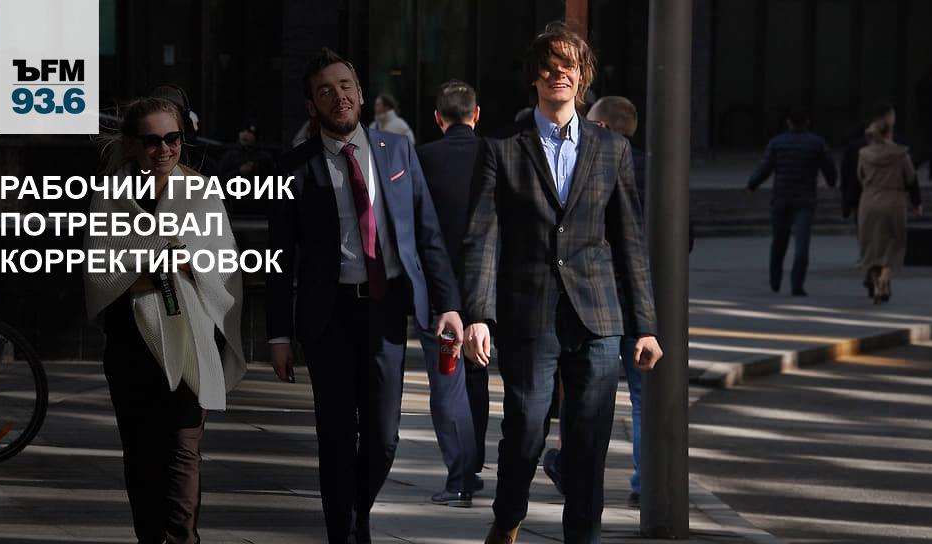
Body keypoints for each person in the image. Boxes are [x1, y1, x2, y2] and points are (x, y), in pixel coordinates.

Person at [460, 23, 663, 544]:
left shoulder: (611, 149)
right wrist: (478, 316)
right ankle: (508, 518)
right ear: (535, 76)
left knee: (589, 442)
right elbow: (482, 238)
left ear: (582, 75)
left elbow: (630, 242)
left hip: (598, 318)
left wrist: (644, 325)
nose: (559, 74)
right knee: (526, 431)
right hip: (529, 315)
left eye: (568, 65)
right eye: (549, 66)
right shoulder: (502, 147)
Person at [266, 48, 463, 544]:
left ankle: (355, 518)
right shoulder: (293, 168)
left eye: (345, 85)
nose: (339, 96)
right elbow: (279, 259)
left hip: (385, 307)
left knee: (383, 437)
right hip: (327, 316)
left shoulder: (397, 150)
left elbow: (427, 233)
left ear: (360, 92)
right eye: (325, 91)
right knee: (336, 438)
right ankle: (348, 535)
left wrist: (449, 305)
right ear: (311, 105)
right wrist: (278, 335)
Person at [84, 97, 246, 544]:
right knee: (141, 456)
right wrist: (155, 264)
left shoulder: (201, 193)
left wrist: (183, 260)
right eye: (152, 141)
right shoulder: (111, 195)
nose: (164, 149)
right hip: (130, 344)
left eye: (172, 138)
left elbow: (224, 264)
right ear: (132, 143)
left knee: (183, 452)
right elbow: (100, 271)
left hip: (191, 337)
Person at [541, 95, 646, 509]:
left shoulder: (595, 162)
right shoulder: (658, 167)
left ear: (600, 127)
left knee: (581, 391)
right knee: (640, 397)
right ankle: (644, 482)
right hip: (639, 303)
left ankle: (572, 467)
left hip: (596, 301)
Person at [415, 79, 485, 507]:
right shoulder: (494, 154)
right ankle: (472, 467)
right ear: (476, 115)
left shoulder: (423, 158)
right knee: (477, 374)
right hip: (487, 290)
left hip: (441, 295)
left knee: (448, 380)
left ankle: (460, 477)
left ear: (438, 118)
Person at [747, 107, 838, 296]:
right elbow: (829, 167)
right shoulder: (816, 143)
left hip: (781, 198)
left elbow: (765, 168)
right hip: (805, 200)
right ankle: (797, 284)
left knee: (779, 241)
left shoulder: (777, 143)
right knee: (802, 244)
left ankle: (775, 279)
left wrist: (752, 184)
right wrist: (831, 182)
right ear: (807, 122)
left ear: (788, 122)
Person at [857, 107, 924, 304]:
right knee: (894, 242)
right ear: (890, 132)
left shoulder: (864, 154)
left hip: (869, 202)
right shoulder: (901, 154)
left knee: (870, 244)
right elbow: (911, 179)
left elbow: (860, 177)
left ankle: (877, 284)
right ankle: (886, 275)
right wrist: (917, 203)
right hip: (894, 202)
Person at [914, 64, 932, 181]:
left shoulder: (924, 85)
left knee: (930, 148)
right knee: (930, 148)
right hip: (930, 121)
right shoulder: (927, 85)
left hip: (929, 121)